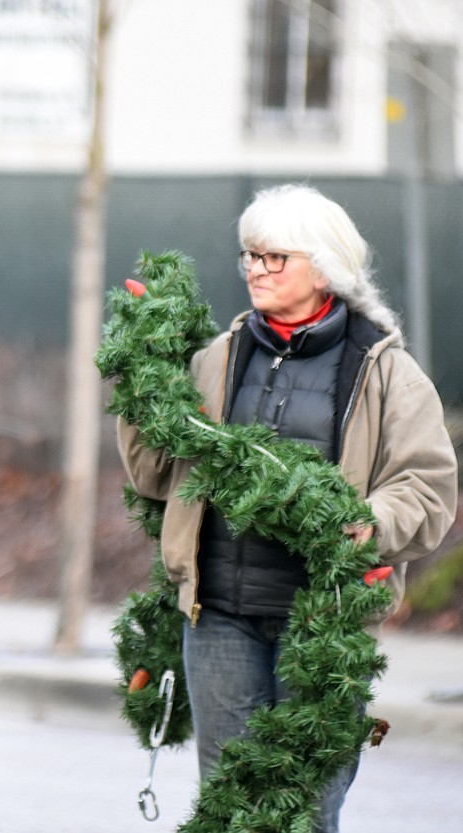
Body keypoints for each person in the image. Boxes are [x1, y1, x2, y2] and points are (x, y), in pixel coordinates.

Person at [117, 183, 458, 831]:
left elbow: (428, 486)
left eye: (275, 257)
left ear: (324, 265)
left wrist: (372, 523)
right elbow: (158, 476)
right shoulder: (220, 357)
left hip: (321, 620)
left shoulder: (384, 371)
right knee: (232, 805)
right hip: (217, 618)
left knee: (305, 808)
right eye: (250, 255)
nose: (255, 269)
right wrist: (141, 382)